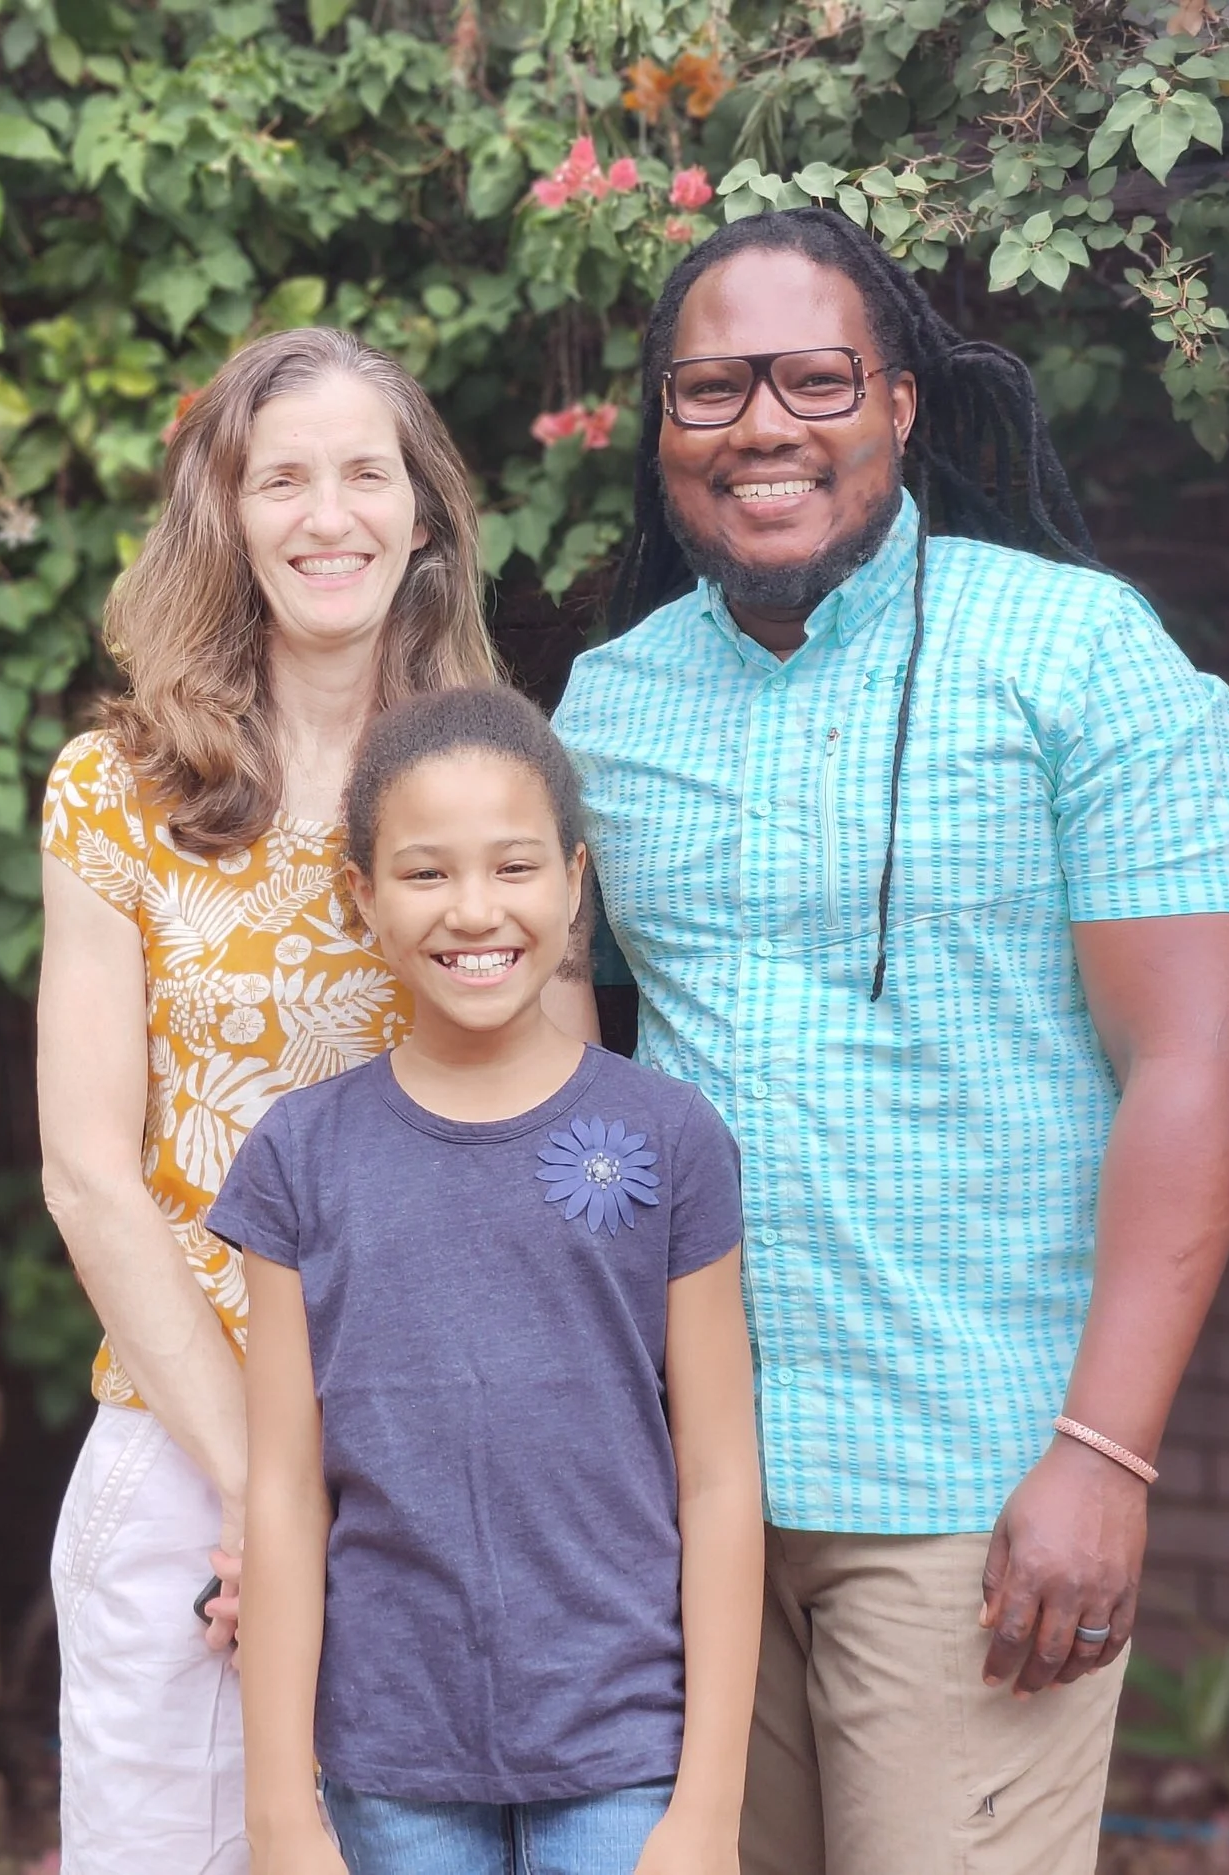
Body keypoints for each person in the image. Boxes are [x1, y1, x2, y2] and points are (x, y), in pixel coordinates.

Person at [551, 207, 1229, 1875]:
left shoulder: (1079, 656)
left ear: (900, 403)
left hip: (971, 1481)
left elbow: (1198, 1062)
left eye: (815, 380)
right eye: (713, 388)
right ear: (663, 422)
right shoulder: (607, 704)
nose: (763, 427)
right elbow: (565, 1083)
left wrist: (1104, 1456)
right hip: (684, 1492)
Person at [37, 327, 504, 1874]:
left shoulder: (492, 784)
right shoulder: (117, 790)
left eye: (366, 473)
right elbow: (88, 1172)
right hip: (191, 1453)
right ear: (227, 517)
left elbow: (536, 1129)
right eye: (282, 479)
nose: (329, 515)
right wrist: (265, 1489)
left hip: (427, 1460)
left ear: (423, 513)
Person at [223, 685, 764, 1875]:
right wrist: (280, 1815)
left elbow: (720, 1479)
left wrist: (708, 1810)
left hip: (625, 1758)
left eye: (514, 867)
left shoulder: (670, 1137)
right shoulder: (298, 1159)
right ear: (360, 896)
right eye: (425, 873)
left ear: (574, 885)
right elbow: (285, 1494)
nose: (474, 910)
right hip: (389, 1764)